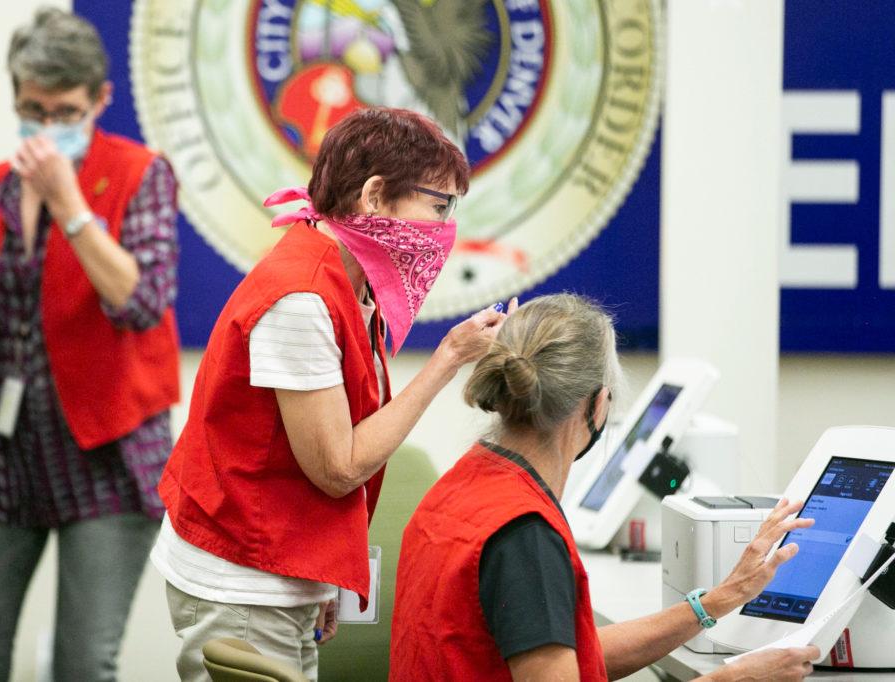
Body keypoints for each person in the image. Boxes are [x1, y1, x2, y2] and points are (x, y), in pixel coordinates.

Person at [151, 107, 511, 681]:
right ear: (373, 196)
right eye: (438, 207)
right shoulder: (301, 298)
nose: (445, 229)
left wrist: (319, 574)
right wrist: (447, 360)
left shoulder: (343, 277)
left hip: (278, 569)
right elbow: (339, 466)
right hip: (243, 579)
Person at [0, 8, 180, 681]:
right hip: (4, 455)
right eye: (32, 108)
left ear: (99, 100)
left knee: (83, 665)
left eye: (64, 111)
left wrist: (69, 204)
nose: (46, 126)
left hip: (107, 454)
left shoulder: (140, 173)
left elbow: (141, 302)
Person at [390, 294, 820, 681]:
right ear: (597, 404)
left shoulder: (464, 483)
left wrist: (717, 602)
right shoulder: (524, 533)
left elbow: (567, 658)